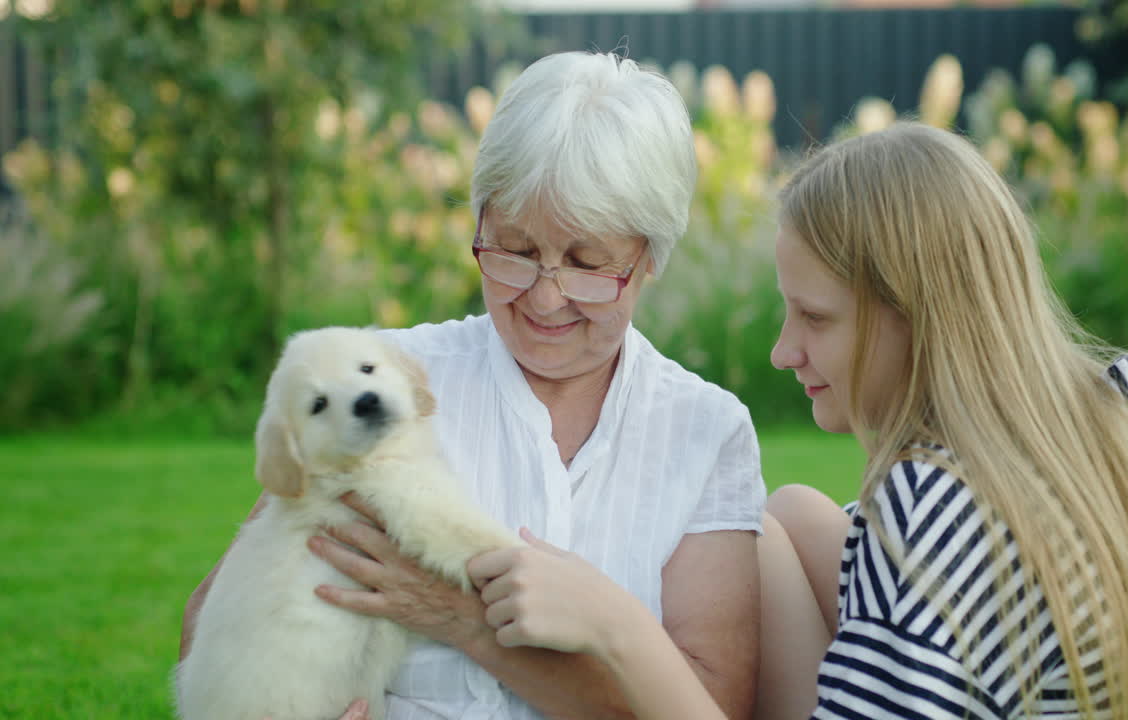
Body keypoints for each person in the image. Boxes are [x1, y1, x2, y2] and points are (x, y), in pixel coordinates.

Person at [465, 122, 1128, 719]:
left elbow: (926, 541)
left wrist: (618, 628)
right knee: (787, 512)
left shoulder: (932, 506)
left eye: (815, 318)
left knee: (763, 536)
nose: (782, 352)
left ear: (915, 319)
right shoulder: (1107, 409)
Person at [179, 51, 766, 720]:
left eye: (587, 264)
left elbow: (711, 706)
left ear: (649, 260)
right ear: (479, 224)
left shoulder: (705, 429)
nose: (546, 299)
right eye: (514, 251)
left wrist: (465, 620)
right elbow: (214, 625)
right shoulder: (386, 378)